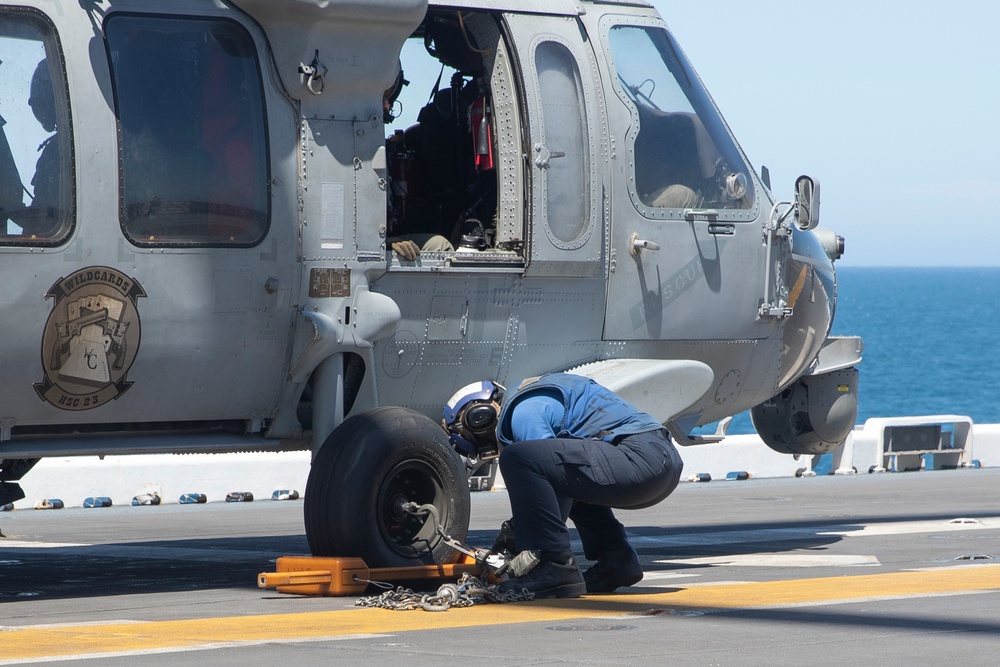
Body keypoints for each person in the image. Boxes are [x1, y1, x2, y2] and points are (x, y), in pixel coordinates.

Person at [442, 373, 684, 599]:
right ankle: (616, 560)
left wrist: (515, 537)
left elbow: (543, 481)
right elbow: (558, 477)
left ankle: (555, 568)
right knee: (566, 474)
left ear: (479, 416)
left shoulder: (522, 410)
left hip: (638, 459)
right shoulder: (537, 393)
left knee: (518, 457)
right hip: (659, 461)